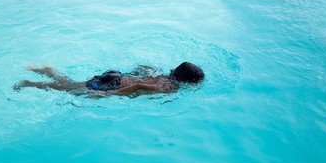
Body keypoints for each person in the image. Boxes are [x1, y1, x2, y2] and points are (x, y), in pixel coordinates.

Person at [14, 62, 204, 98]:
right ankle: (30, 84)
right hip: (112, 85)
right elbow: (138, 85)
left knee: (72, 85)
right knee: (69, 90)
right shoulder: (170, 87)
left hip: (116, 76)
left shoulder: (164, 76)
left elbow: (144, 69)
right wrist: (109, 94)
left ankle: (48, 70)